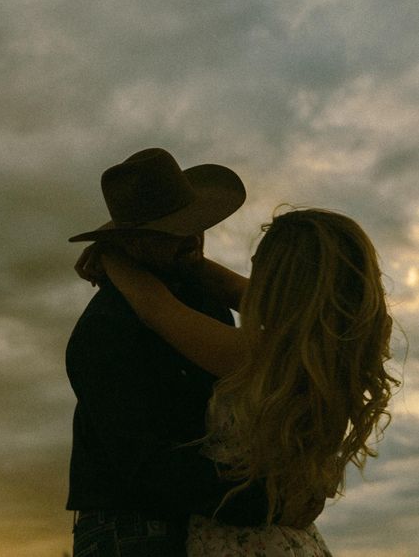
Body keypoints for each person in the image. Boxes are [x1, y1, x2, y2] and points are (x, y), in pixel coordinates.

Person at [77, 207, 400, 556]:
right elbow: (242, 291)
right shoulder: (326, 356)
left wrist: (111, 254)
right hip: (286, 540)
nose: (247, 271)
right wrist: (189, 257)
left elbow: (155, 308)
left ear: (281, 281)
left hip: (244, 541)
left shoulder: (253, 355)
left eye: (259, 265)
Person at [66, 149, 325, 557]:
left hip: (194, 522)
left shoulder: (205, 304)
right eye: (168, 231)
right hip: (133, 531)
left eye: (194, 225)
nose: (191, 239)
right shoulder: (108, 327)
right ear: (133, 240)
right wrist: (266, 500)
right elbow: (144, 466)